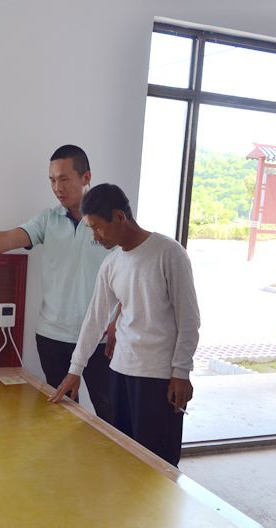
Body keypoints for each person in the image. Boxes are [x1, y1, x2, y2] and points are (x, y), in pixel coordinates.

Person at [0, 145, 117, 423]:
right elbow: (5, 239)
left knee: (111, 416)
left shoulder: (111, 223)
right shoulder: (48, 220)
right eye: (52, 180)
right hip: (52, 337)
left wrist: (118, 319)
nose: (57, 188)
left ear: (86, 177)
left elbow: (131, 275)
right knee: (62, 416)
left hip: (100, 341)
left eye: (64, 179)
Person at [50, 184, 199, 466]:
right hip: (119, 371)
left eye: (97, 227)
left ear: (119, 216)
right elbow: (95, 318)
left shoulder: (169, 253)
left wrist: (181, 371)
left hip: (159, 377)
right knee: (123, 457)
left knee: (158, 465)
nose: (95, 236)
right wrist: (75, 369)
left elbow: (189, 319)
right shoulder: (112, 263)